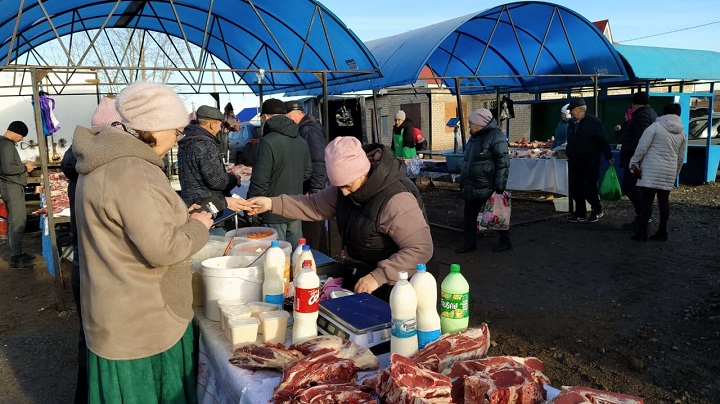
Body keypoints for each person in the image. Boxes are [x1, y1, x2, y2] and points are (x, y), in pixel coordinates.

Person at [72, 81, 213, 402]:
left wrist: (176, 215)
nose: (177, 138)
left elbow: (124, 226)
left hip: (112, 314)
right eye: (175, 130)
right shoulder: (132, 168)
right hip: (143, 326)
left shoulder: (100, 162)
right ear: (154, 126)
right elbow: (164, 248)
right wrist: (198, 225)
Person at [242, 136, 433, 301]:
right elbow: (314, 205)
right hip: (365, 273)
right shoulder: (344, 190)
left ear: (362, 171)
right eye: (338, 186)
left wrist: (379, 276)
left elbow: (420, 248)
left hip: (402, 284)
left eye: (347, 186)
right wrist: (271, 204)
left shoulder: (395, 200)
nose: (343, 192)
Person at [61, 96, 122, 404]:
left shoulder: (81, 161)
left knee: (90, 338)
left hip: (82, 260)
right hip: (98, 264)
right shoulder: (99, 167)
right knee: (103, 342)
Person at [247, 99, 311, 249]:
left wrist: (251, 204)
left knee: (276, 259)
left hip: (272, 210)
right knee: (296, 255)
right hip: (295, 206)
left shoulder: (267, 142)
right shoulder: (300, 140)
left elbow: (260, 180)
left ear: (265, 117)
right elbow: (307, 172)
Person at [455, 108, 511, 253]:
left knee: (495, 214)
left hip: (488, 185)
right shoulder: (474, 137)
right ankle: (469, 244)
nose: (469, 127)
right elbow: (468, 161)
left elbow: (502, 162)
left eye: (471, 123)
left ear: (480, 124)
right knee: (469, 216)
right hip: (472, 184)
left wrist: (499, 186)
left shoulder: (496, 136)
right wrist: (463, 180)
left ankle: (505, 241)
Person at [629, 103, 687, 242]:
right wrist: (676, 172)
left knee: (647, 201)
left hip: (651, 169)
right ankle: (662, 231)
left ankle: (642, 232)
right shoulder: (682, 133)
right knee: (663, 201)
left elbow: (642, 147)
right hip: (669, 170)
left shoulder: (655, 127)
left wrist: (634, 162)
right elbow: (681, 157)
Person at [177, 105, 244, 213]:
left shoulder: (187, 140)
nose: (220, 128)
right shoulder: (205, 144)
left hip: (191, 203)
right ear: (212, 124)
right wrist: (234, 179)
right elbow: (217, 180)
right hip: (209, 207)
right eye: (219, 124)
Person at [285, 100, 328, 251]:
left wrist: (314, 188)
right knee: (315, 232)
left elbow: (318, 160)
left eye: (289, 117)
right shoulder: (307, 128)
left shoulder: (308, 130)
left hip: (314, 190)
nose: (288, 121)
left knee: (312, 233)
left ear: (298, 114)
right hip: (315, 188)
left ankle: (314, 262)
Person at [566, 98, 614, 223]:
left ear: (581, 109)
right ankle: (580, 212)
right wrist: (568, 152)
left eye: (572, 110)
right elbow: (570, 140)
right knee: (575, 187)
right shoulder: (572, 124)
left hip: (590, 161)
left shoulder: (594, 122)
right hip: (574, 160)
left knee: (588, 186)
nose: (570, 113)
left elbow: (602, 140)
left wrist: (608, 156)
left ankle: (597, 209)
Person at [618, 92, 658, 230]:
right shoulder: (650, 114)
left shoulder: (641, 116)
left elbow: (640, 140)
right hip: (641, 159)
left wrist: (634, 158)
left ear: (634, 104)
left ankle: (644, 217)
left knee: (630, 187)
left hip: (636, 159)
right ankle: (643, 216)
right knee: (636, 188)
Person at [0, 121, 36, 269]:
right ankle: (17, 257)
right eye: (22, 136)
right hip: (12, 187)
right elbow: (8, 168)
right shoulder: (6, 145)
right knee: (17, 221)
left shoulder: (4, 144)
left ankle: (18, 252)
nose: (22, 139)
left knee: (15, 220)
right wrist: (25, 167)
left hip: (10, 186)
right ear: (15, 132)